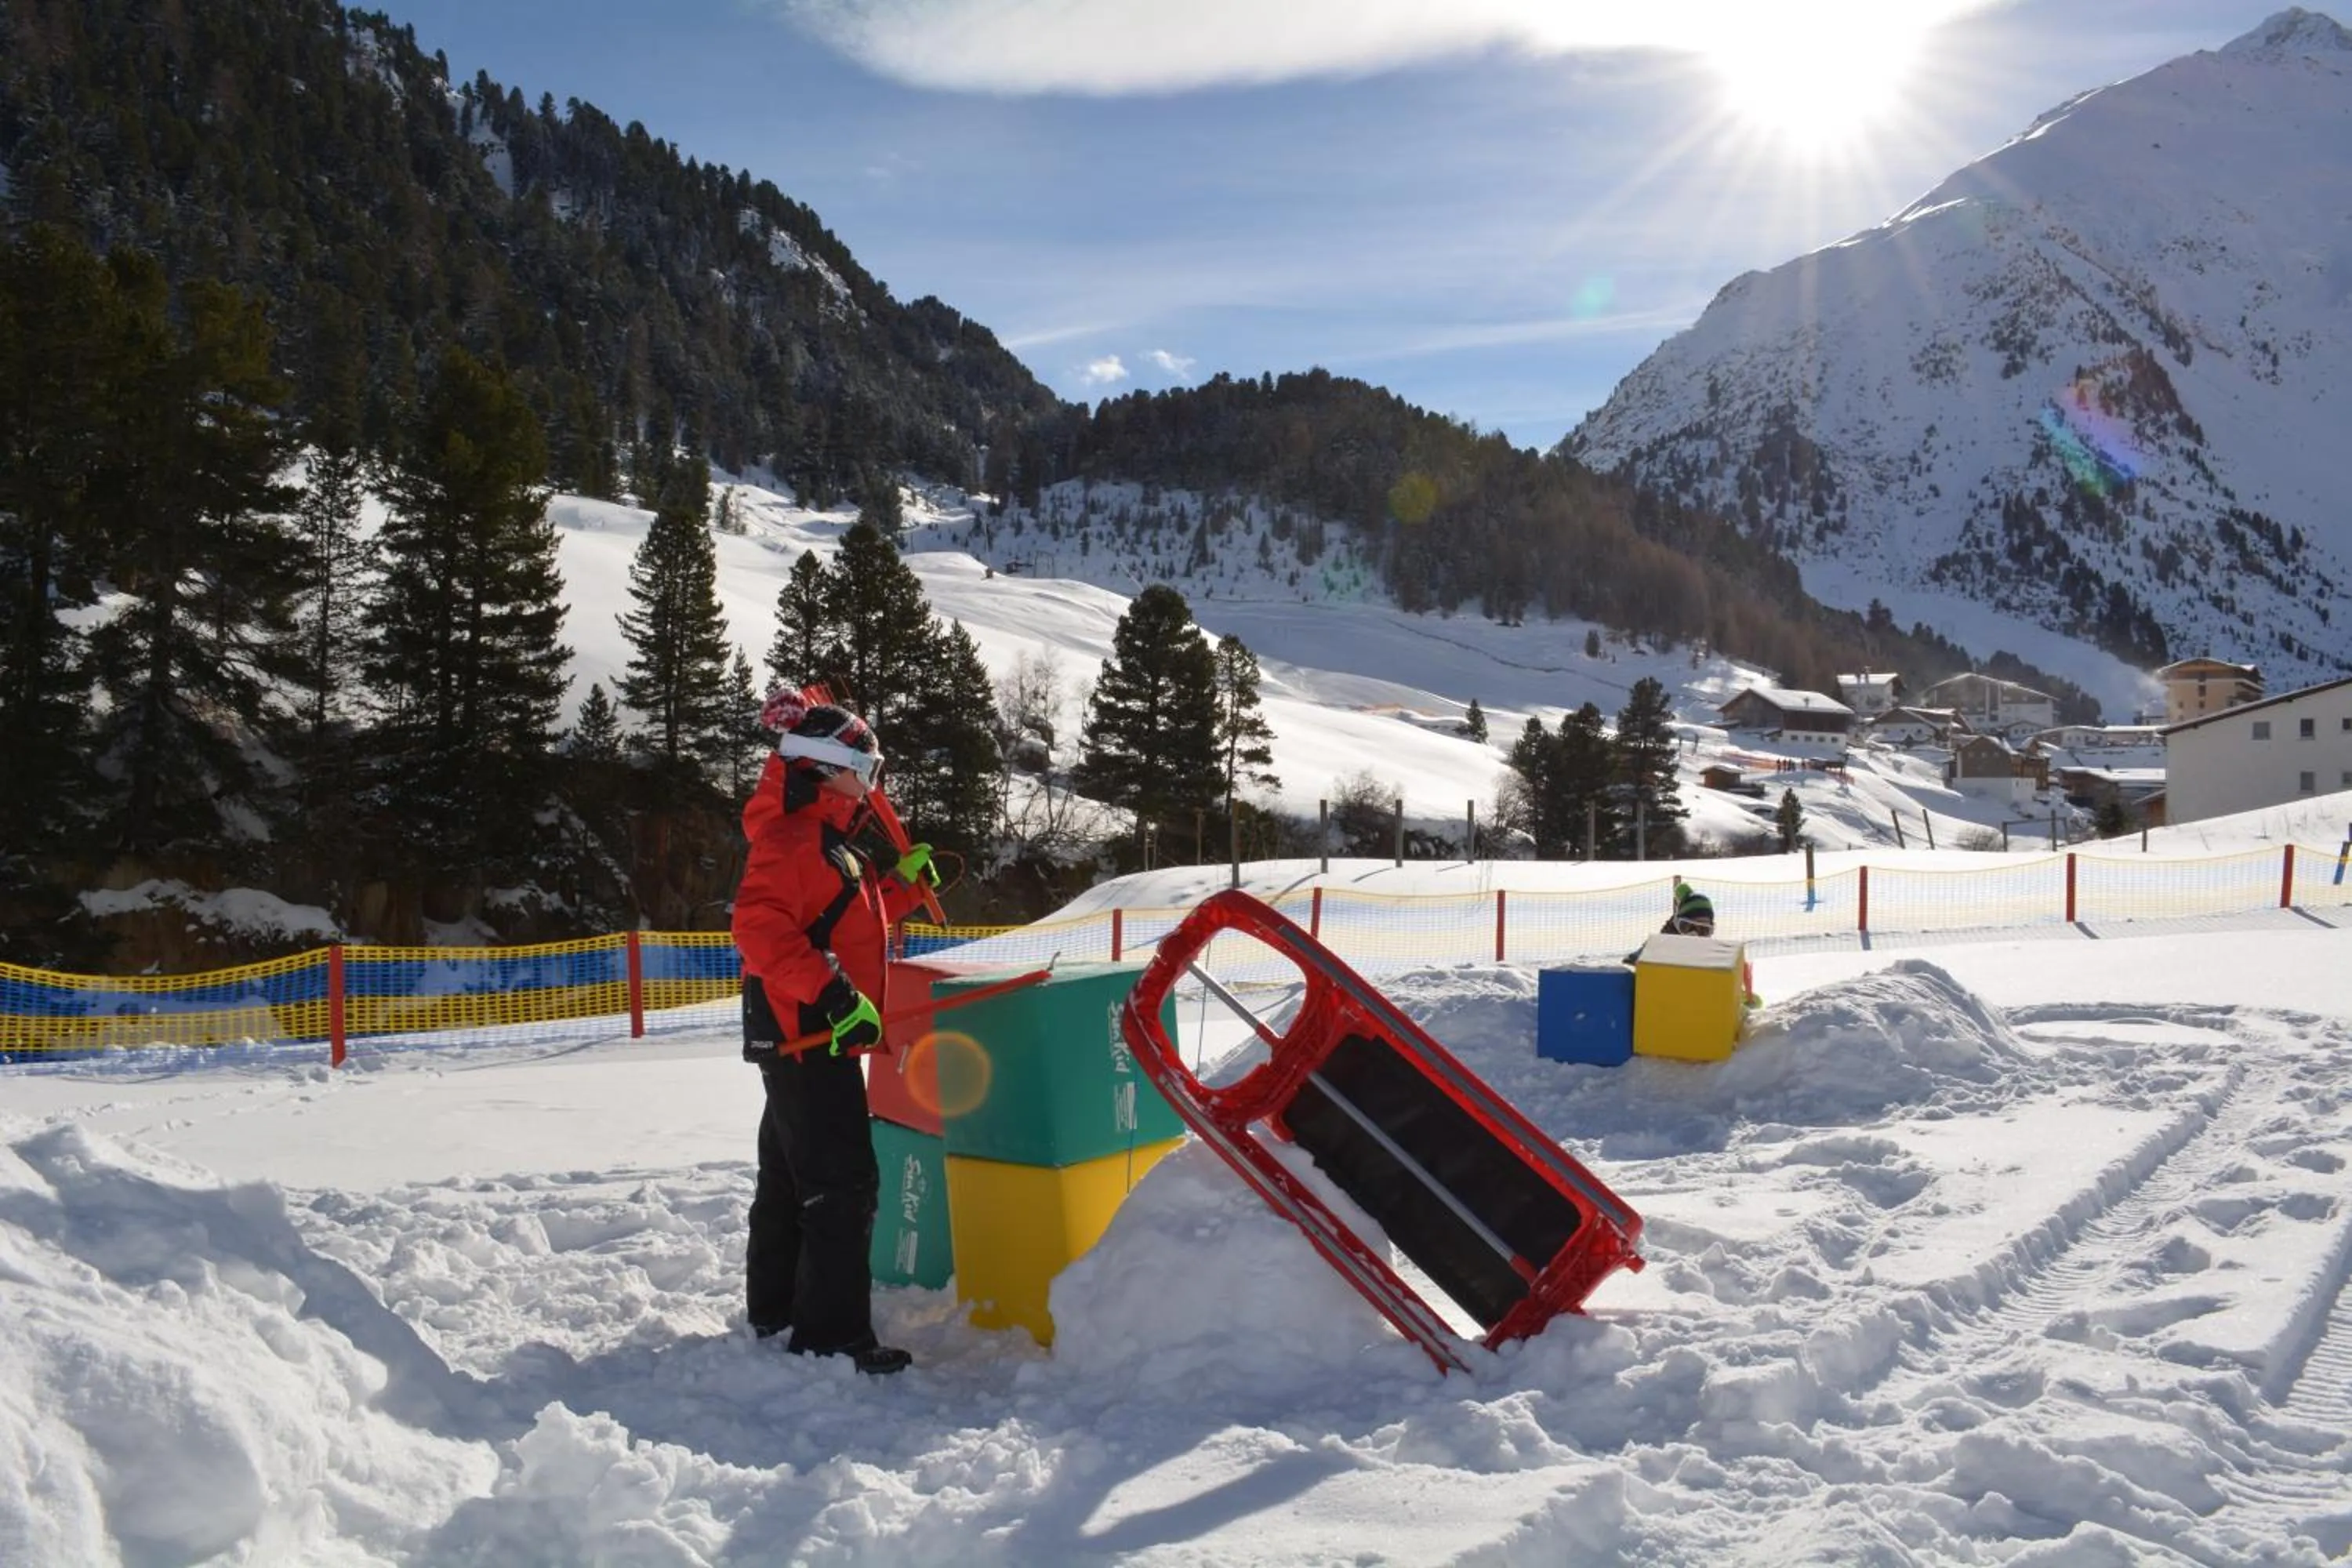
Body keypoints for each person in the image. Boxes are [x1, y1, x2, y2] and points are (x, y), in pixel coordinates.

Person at [731, 692, 941, 1375]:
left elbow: (839, 919)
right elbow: (759, 930)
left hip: (805, 1032)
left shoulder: (822, 842)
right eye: (866, 769)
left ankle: (777, 1309)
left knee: (791, 1177)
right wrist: (836, 997)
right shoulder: (794, 840)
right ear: (827, 767)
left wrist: (903, 889)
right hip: (809, 1033)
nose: (873, 784)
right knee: (842, 1183)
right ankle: (832, 1337)